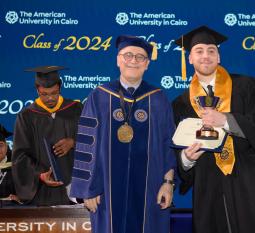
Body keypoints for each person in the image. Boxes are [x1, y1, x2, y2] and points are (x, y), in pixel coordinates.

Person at [172, 26, 255, 233]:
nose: (206, 56)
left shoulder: (247, 87)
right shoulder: (180, 104)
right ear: (190, 58)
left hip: (248, 179)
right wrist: (186, 158)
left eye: (211, 51)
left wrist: (227, 120)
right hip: (208, 184)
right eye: (199, 51)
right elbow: (175, 150)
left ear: (219, 57)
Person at [70, 35, 176, 233]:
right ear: (118, 60)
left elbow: (167, 144)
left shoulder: (158, 98)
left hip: (150, 188)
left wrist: (168, 183)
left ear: (147, 64)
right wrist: (88, 189)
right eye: (128, 55)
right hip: (106, 191)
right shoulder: (99, 96)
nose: (133, 61)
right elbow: (86, 145)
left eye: (140, 57)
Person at [12, 66, 83, 206]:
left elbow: (95, 141)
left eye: (54, 93)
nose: (50, 98)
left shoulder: (76, 109)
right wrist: (39, 174)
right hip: (42, 191)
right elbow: (20, 156)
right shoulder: (26, 116)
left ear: (60, 88)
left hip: (74, 187)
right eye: (44, 94)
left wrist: (74, 142)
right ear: (37, 90)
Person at [0, 124, 20, 206]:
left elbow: (28, 193)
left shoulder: (17, 166)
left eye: (0, 145)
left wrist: (20, 198)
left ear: (7, 146)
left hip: (13, 212)